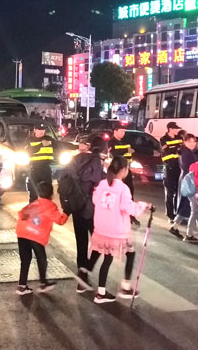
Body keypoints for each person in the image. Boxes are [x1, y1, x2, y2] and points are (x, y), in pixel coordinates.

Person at [85, 157, 149, 303]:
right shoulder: (123, 188)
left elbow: (95, 200)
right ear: (124, 170)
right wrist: (143, 205)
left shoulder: (102, 184)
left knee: (110, 257)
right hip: (117, 231)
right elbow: (129, 208)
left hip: (102, 228)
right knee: (123, 256)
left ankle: (103, 288)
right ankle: (113, 290)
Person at [15, 181, 68, 295]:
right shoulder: (50, 206)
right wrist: (67, 212)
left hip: (22, 232)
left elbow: (22, 214)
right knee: (41, 259)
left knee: (25, 260)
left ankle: (22, 286)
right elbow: (60, 220)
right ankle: (43, 283)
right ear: (51, 194)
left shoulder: (34, 204)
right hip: (35, 235)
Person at [70, 137, 106, 292]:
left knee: (81, 244)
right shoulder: (96, 161)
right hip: (90, 208)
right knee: (100, 241)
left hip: (76, 205)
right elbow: (99, 182)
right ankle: (86, 269)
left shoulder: (75, 159)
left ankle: (81, 281)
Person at [108, 124, 138, 225]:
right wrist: (126, 150)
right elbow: (114, 154)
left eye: (124, 131)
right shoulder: (111, 142)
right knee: (117, 194)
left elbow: (131, 153)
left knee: (129, 192)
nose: (123, 133)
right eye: (121, 131)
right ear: (115, 132)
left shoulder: (125, 141)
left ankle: (131, 215)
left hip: (127, 170)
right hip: (117, 172)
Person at [159, 122, 182, 225]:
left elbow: (181, 150)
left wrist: (174, 149)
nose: (177, 130)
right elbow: (166, 152)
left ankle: (177, 213)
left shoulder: (179, 138)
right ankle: (170, 215)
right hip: (169, 168)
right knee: (170, 193)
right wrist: (176, 150)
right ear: (170, 129)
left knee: (178, 192)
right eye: (175, 129)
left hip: (178, 168)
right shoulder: (163, 139)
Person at [26, 123, 55, 203]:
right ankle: (33, 208)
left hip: (46, 169)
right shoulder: (29, 140)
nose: (42, 131)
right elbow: (29, 151)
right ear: (35, 130)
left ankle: (47, 208)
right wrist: (41, 145)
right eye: (39, 130)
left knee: (47, 192)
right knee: (33, 192)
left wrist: (77, 146)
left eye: (43, 130)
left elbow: (60, 145)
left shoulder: (49, 139)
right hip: (35, 169)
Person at [175, 133, 198, 226]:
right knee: (187, 202)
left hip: (186, 177)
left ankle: (177, 223)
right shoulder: (186, 152)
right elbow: (187, 167)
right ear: (184, 142)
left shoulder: (185, 151)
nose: (192, 144)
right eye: (189, 142)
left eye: (194, 141)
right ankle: (176, 225)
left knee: (186, 202)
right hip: (188, 178)